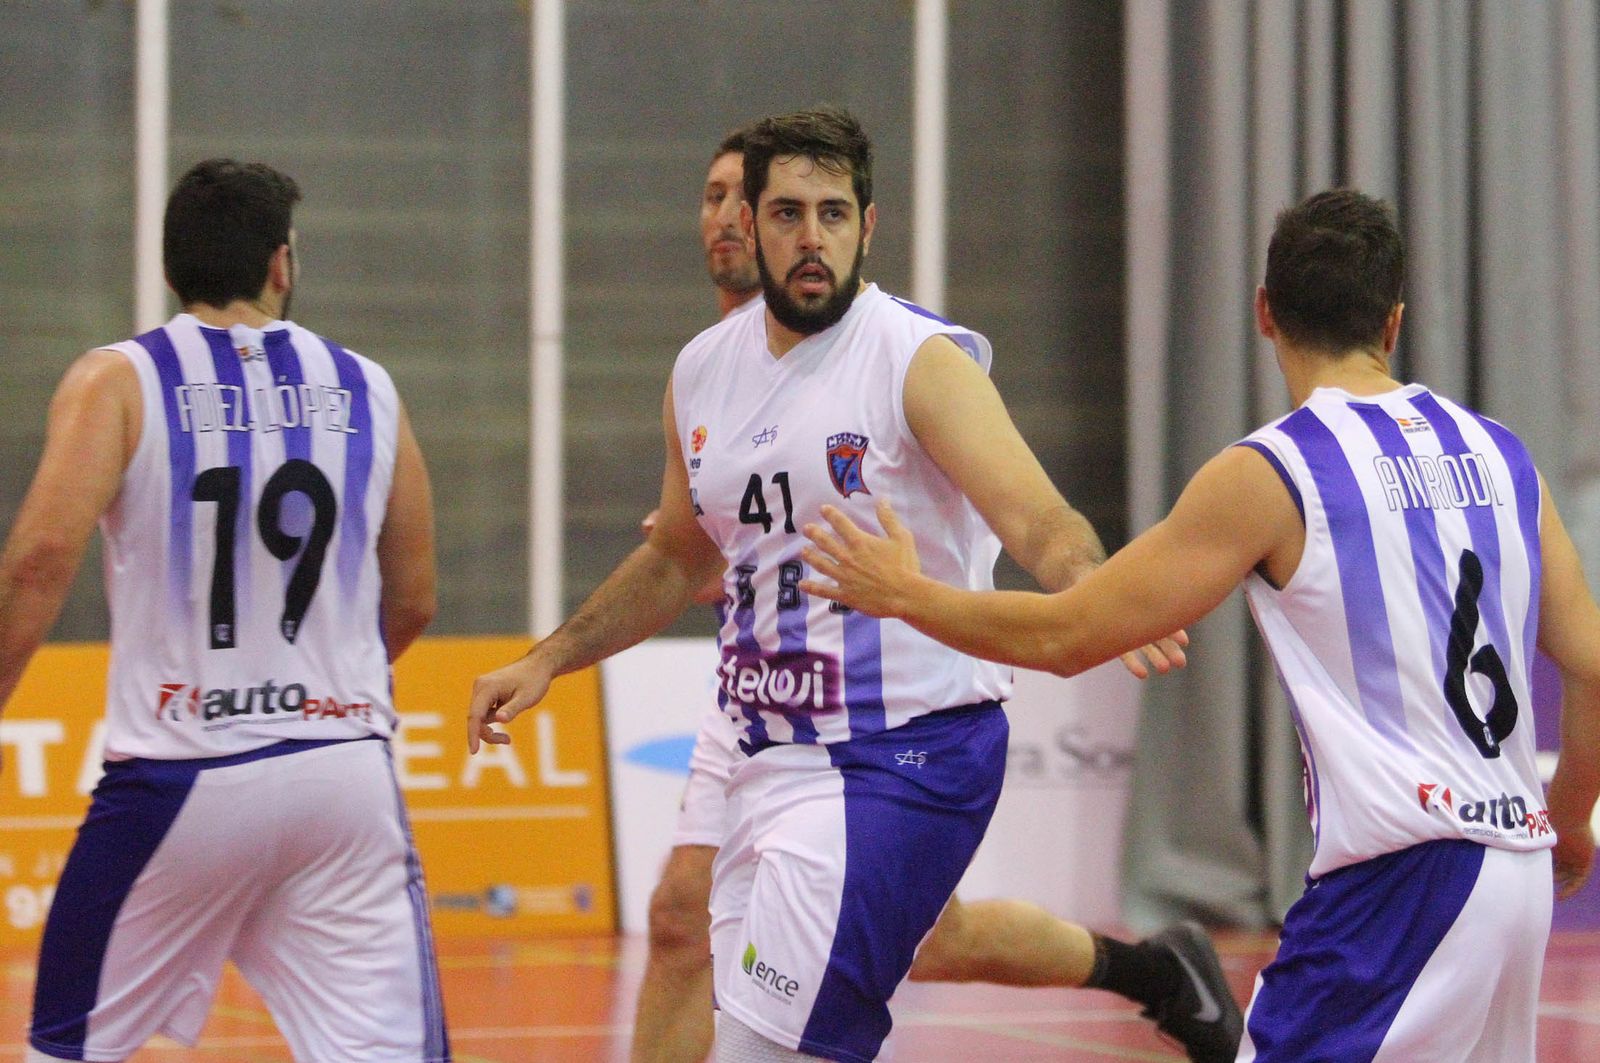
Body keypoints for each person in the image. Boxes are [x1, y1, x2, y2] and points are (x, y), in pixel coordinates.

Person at [470, 107, 1239, 1063]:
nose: (812, 238)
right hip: (767, 752)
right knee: (770, 955)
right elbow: (675, 556)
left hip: (900, 755)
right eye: (788, 213)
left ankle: (1153, 973)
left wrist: (1100, 594)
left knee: (768, 1043)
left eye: (835, 214)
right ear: (749, 226)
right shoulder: (703, 370)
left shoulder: (916, 359)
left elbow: (1041, 520)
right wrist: (551, 656)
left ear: (868, 227)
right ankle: (1155, 972)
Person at [800, 187, 1600, 1061]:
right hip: (1514, 869)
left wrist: (908, 594)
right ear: (1395, 321)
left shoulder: (1277, 469)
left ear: (1265, 312)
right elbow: (1592, 666)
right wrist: (1567, 815)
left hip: (1401, 880)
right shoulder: (1500, 453)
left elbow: (1066, 638)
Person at [2, 159, 448, 1062]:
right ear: (282, 263)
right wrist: (315, 687)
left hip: (181, 773)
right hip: (343, 775)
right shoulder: (368, 385)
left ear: (172, 269)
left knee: (69, 1045)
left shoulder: (118, 380)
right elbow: (414, 597)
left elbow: (39, 562)